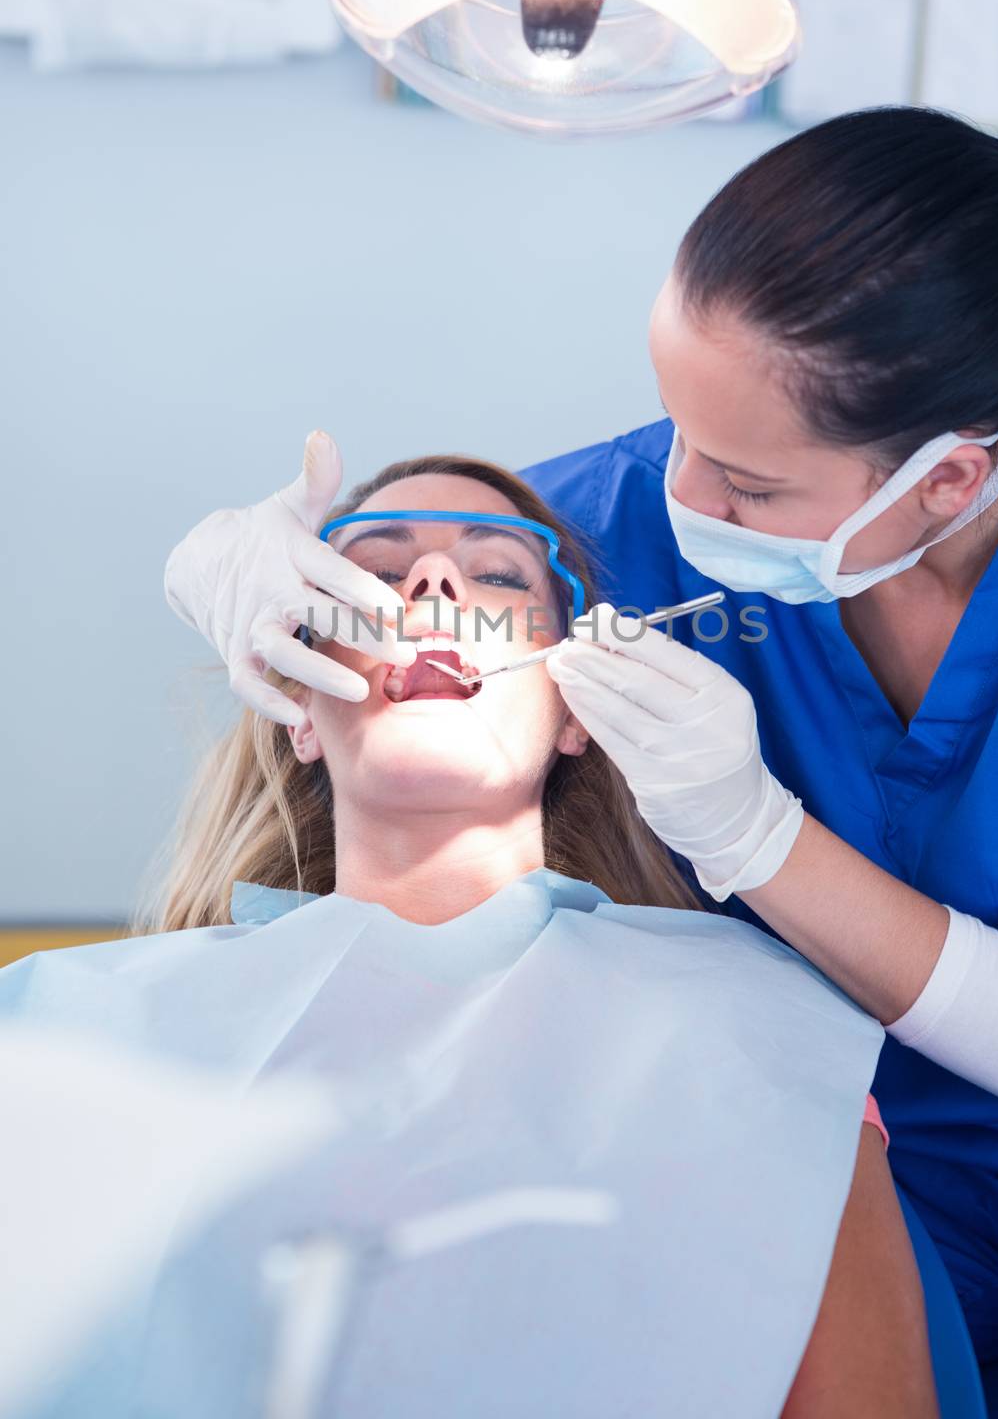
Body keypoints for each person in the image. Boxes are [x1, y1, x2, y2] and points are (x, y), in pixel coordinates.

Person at [162, 106, 998, 1412]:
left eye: (748, 489)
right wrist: (215, 571)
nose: (676, 500)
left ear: (947, 475)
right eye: (670, 426)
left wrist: (760, 842)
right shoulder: (594, 535)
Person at [4, 456, 932, 1419]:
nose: (433, 588)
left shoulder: (765, 1034)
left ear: (576, 711)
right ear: (299, 715)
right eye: (369, 576)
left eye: (496, 575)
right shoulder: (66, 1025)